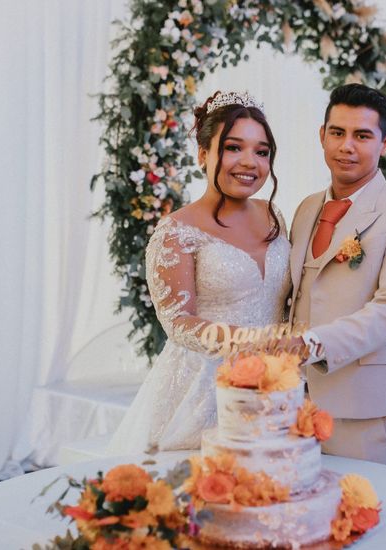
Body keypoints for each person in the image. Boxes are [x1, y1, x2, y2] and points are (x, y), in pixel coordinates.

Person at [106, 91, 291, 455]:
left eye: (261, 151)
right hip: (205, 388)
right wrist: (248, 343)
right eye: (234, 147)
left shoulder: (275, 217)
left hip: (275, 382)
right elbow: (178, 322)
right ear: (203, 154)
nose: (249, 162)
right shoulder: (176, 231)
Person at [289, 84, 386, 467]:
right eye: (337, 133)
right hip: (295, 407)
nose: (346, 146)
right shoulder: (305, 209)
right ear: (322, 135)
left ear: (385, 142)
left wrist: (311, 344)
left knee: (371, 517)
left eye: (362, 135)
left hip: (366, 407)